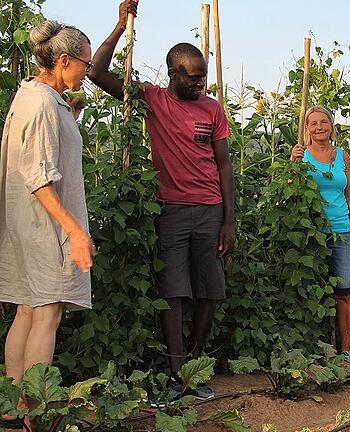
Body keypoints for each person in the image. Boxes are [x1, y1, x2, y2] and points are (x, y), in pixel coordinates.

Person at [89, 0, 235, 400]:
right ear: (172, 74)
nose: (200, 84)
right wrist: (121, 26)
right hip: (170, 209)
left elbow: (224, 166)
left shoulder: (213, 110)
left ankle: (195, 365)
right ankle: (176, 374)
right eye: (192, 78)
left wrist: (229, 220)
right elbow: (97, 72)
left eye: (203, 77)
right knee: (173, 291)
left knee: (210, 291)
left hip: (208, 210)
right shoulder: (154, 99)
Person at [0, 20, 94, 429]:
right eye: (84, 65)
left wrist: (70, 112)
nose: (86, 72)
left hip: (28, 225)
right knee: (46, 313)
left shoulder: (35, 97)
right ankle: (33, 410)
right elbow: (38, 176)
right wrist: (74, 230)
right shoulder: (41, 105)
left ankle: (10, 407)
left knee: (26, 310)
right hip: (45, 226)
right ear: (63, 60)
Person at [289, 106, 350, 361]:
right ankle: (312, 349)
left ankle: (346, 350)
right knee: (310, 291)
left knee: (344, 291)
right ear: (306, 129)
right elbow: (289, 189)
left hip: (341, 231)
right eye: (313, 123)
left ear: (332, 126)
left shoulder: (342, 155)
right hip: (311, 232)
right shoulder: (302, 155)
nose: (319, 127)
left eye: (324, 122)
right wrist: (293, 164)